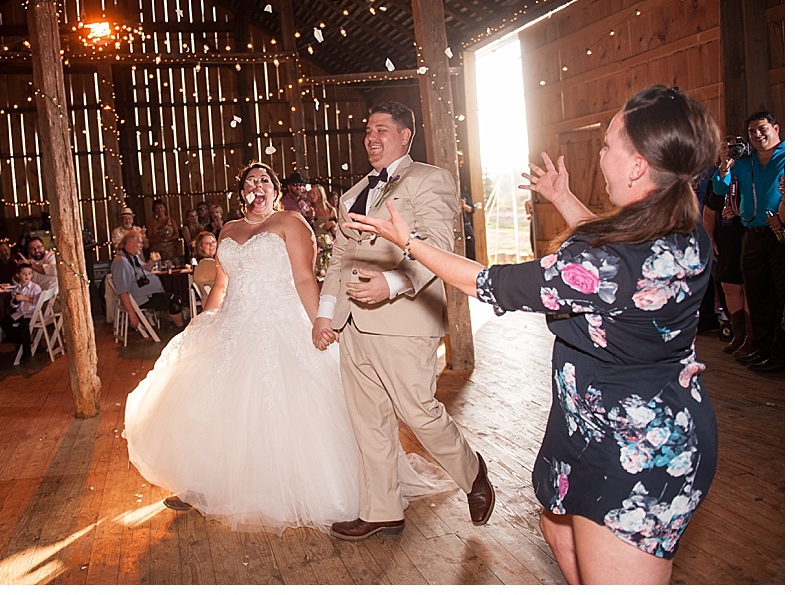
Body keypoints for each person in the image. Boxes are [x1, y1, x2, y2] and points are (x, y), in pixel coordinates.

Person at [346, 85, 719, 584]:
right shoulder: (677, 224)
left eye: (608, 146)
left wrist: (408, 242)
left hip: (633, 444)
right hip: (607, 419)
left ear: (636, 167)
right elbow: (613, 263)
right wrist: (564, 199)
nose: (600, 155)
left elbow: (487, 282)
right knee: (557, 527)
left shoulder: (606, 264)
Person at [122, 162, 456, 533]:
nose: (257, 184)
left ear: (275, 190)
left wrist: (321, 321)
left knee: (283, 407)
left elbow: (303, 277)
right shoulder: (229, 229)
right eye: (250, 180)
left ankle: (331, 492)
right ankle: (206, 485)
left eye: (265, 179)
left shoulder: (291, 223)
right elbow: (221, 284)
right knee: (213, 402)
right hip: (232, 326)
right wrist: (205, 318)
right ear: (242, 193)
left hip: (280, 324)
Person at [312, 100, 494, 541]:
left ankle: (472, 472)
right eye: (367, 131)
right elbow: (340, 257)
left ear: (405, 135)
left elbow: (437, 245)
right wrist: (324, 314)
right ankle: (382, 511)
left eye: (381, 130)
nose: (371, 138)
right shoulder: (353, 192)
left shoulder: (429, 179)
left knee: (420, 413)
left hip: (404, 318)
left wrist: (391, 284)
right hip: (353, 324)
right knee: (367, 421)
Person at [710, 111, 785, 373]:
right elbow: (720, 190)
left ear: (776, 128)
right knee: (757, 296)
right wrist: (724, 165)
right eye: (752, 132)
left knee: (782, 298)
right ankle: (760, 349)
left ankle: (780, 355)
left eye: (762, 129)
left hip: (781, 236)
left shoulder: (787, 157)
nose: (757, 135)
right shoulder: (744, 162)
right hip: (751, 236)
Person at [703, 144, 749, 355]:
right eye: (725, 148)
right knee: (729, 286)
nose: (730, 152)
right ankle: (739, 334)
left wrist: (738, 210)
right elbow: (709, 210)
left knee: (749, 286)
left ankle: (752, 336)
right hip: (725, 236)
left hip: (746, 232)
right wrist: (709, 238)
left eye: (734, 147)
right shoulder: (717, 177)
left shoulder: (748, 171)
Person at [112, 229, 184, 330]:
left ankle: (171, 323)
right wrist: (132, 314)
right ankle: (182, 330)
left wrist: (152, 261)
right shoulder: (122, 263)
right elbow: (123, 291)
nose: (142, 245)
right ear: (130, 243)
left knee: (174, 293)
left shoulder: (132, 257)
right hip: (143, 298)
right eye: (140, 242)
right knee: (174, 300)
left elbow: (145, 270)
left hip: (148, 294)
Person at [7, 263, 42, 364]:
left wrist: (25, 298)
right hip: (20, 313)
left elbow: (37, 301)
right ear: (18, 275)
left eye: (29, 273)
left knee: (24, 326)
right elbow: (13, 305)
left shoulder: (35, 288)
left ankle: (26, 352)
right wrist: (15, 301)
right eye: (24, 273)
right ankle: (21, 341)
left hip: (31, 313)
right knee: (5, 322)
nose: (27, 276)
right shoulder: (16, 289)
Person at [145, 199, 180, 263]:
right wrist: (157, 239)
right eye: (157, 208)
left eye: (161, 207)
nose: (160, 210)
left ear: (164, 208)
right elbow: (148, 239)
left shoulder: (171, 221)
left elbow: (177, 235)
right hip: (157, 250)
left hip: (170, 249)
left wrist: (167, 239)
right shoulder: (152, 223)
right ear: (154, 210)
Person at [190, 231, 218, 298]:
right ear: (200, 247)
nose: (212, 245)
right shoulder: (206, 263)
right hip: (217, 304)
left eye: (213, 242)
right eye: (207, 243)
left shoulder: (202, 263)